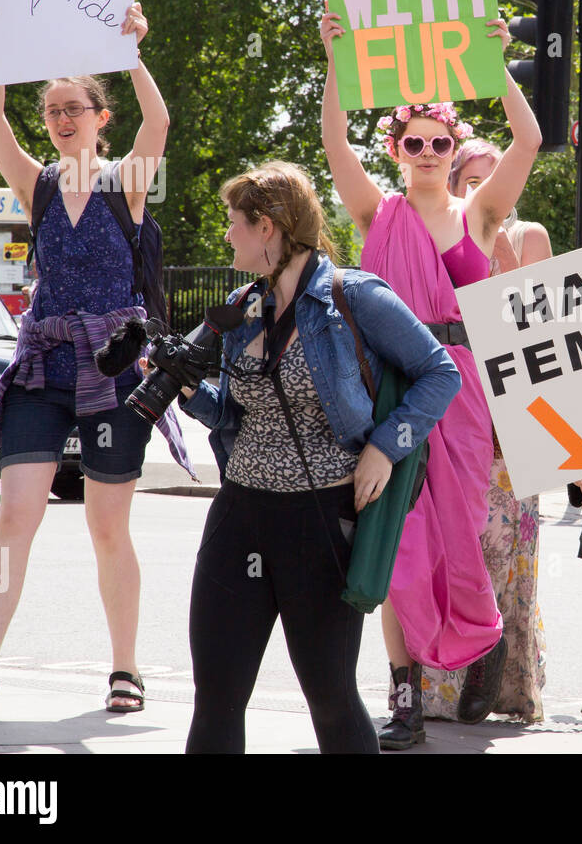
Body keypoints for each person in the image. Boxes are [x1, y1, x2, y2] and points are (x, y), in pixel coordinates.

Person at [0, 0, 190, 717]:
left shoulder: (127, 182)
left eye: (75, 106)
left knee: (108, 524)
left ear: (101, 117)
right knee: (15, 514)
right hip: (44, 363)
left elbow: (159, 124)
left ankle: (126, 668)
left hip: (112, 366)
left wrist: (134, 48)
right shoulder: (37, 184)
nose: (62, 117)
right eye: (51, 109)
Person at [177, 162, 459, 753]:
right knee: (217, 698)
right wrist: (181, 389)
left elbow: (440, 372)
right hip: (239, 515)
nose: (226, 236)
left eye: (234, 224)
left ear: (269, 227)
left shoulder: (353, 296)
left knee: (330, 698)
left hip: (320, 521)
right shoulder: (241, 306)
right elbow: (234, 414)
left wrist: (386, 447)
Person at [319, 4, 541, 748]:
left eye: (439, 141)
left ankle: (484, 643)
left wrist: (498, 63)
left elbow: (530, 137)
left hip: (464, 386)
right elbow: (330, 141)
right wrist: (335, 62)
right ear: (396, 146)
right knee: (395, 536)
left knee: (460, 534)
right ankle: (404, 696)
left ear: (454, 145)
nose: (426, 151)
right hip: (392, 387)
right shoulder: (375, 212)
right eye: (412, 141)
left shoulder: (481, 214)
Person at [412, 140, 551, 723]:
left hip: (513, 424)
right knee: (452, 549)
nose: (484, 187)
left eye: (494, 178)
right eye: (471, 178)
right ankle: (441, 684)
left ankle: (498, 677)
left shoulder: (529, 235)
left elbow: (541, 320)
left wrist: (496, 250)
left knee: (503, 557)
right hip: (454, 417)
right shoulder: (437, 234)